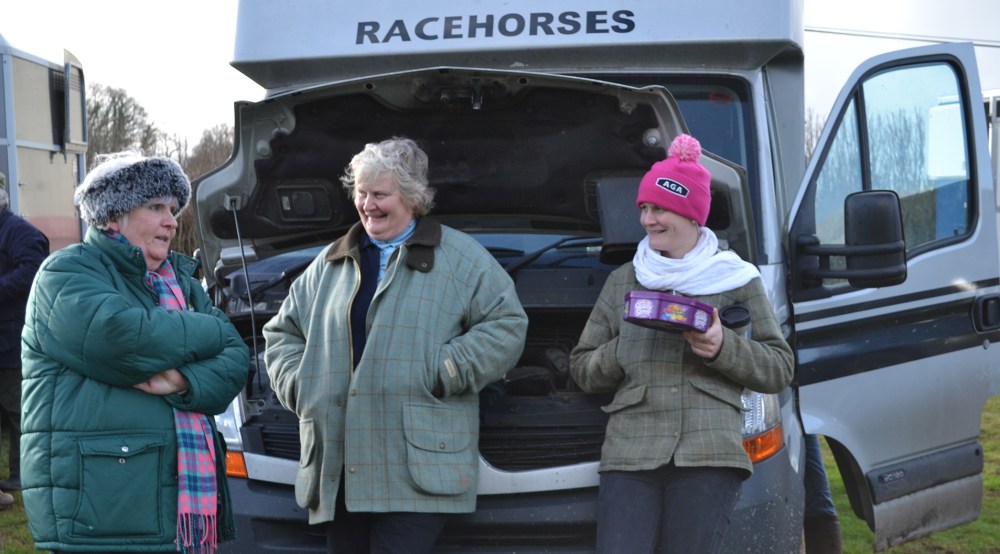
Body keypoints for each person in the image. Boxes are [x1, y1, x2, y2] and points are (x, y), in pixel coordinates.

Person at [263, 137, 528, 554]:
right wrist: (302, 384)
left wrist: (445, 369)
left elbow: (507, 325)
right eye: (361, 193)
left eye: (380, 194)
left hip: (415, 470)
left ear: (412, 197)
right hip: (340, 469)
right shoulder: (330, 263)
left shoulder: (460, 257)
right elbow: (281, 335)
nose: (368, 204)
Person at [569, 134, 795, 554]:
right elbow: (581, 368)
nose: (648, 220)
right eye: (645, 208)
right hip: (631, 454)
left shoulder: (737, 279)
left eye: (660, 208)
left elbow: (779, 367)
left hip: (709, 454)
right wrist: (620, 350)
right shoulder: (624, 280)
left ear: (693, 214)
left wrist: (721, 346)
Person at [20, 152, 250, 552]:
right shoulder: (65, 273)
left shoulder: (182, 282)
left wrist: (183, 380)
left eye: (173, 209)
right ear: (113, 216)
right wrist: (213, 326)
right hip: (103, 508)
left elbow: (235, 360)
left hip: (178, 511)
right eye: (155, 206)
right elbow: (125, 339)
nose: (172, 221)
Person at [0, 177, 48, 507]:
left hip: (12, 338)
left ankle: (22, 474)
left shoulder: (18, 230)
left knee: (18, 409)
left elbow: (33, 267)